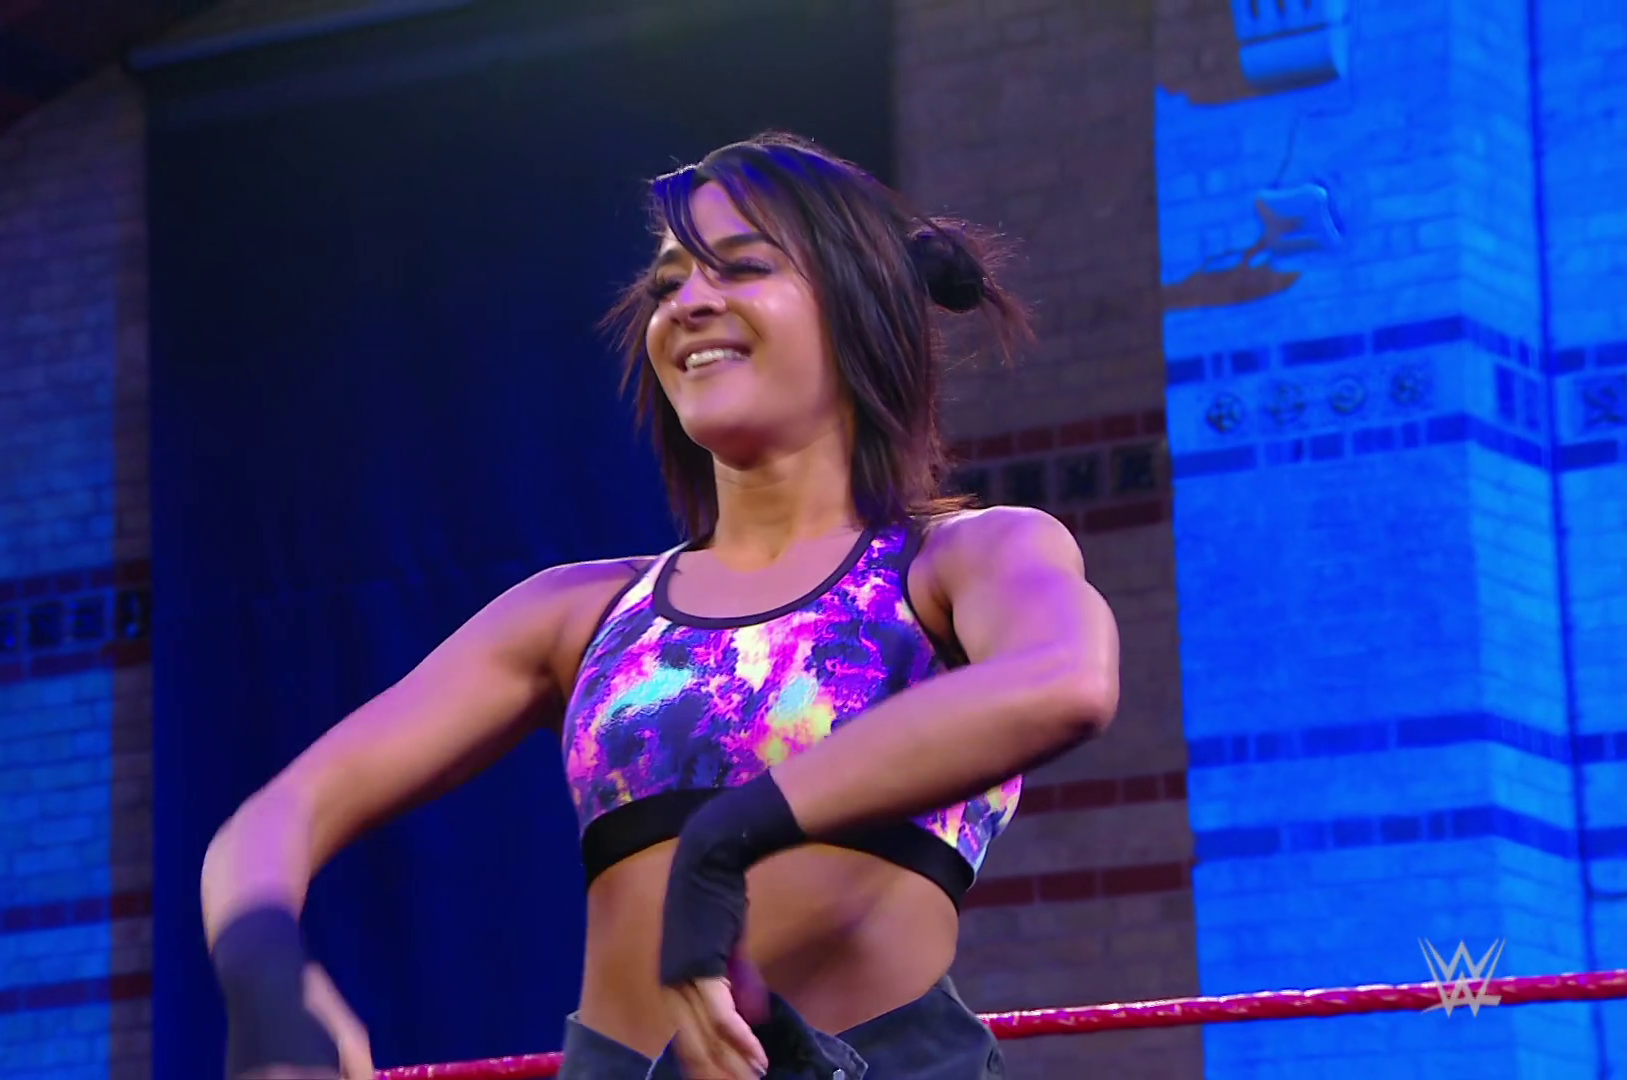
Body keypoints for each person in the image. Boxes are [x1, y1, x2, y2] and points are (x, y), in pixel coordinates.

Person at [202, 131, 1122, 1080]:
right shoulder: (581, 613)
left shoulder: (961, 557)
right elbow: (279, 815)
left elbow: (1065, 680)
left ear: (862, 302)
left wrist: (724, 841)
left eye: (745, 266)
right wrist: (267, 986)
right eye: (668, 283)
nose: (688, 303)